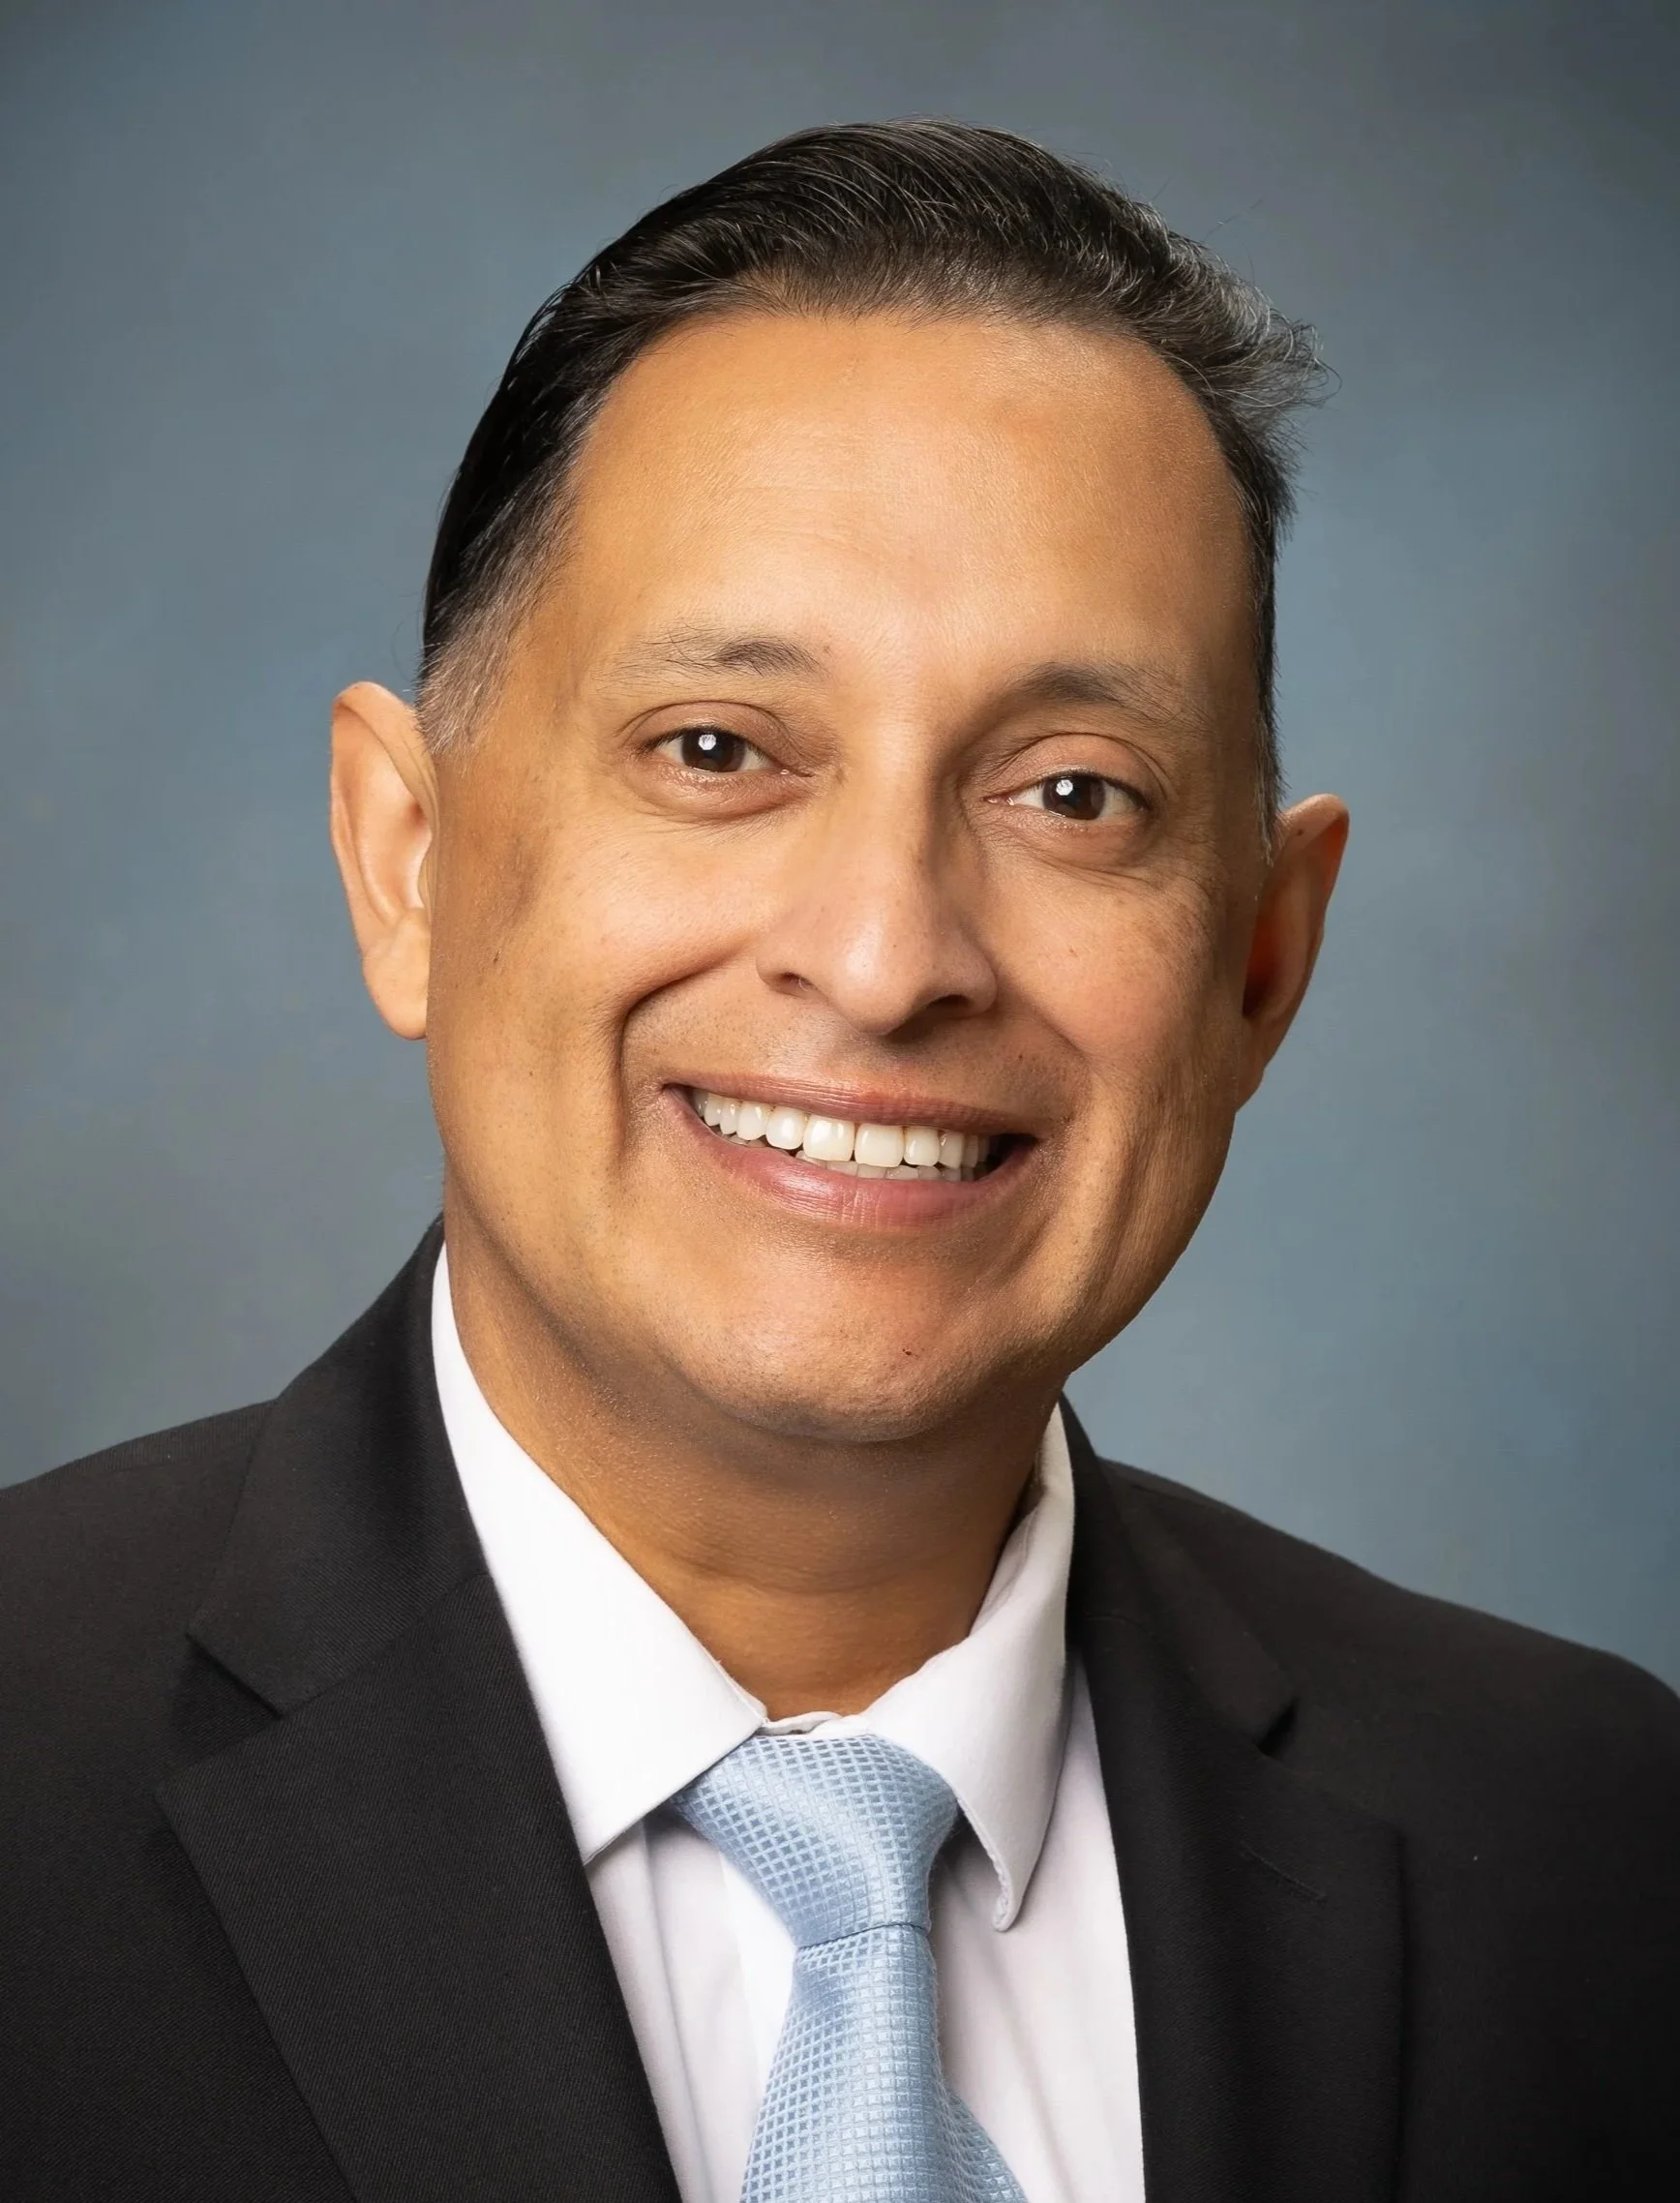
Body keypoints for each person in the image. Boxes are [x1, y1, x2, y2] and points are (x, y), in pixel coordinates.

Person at [2, 119, 1675, 2203]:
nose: (887, 960)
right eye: (718, 750)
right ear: (405, 858)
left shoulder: (1600, 1856)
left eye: (1074, 792)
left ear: (1262, 956)